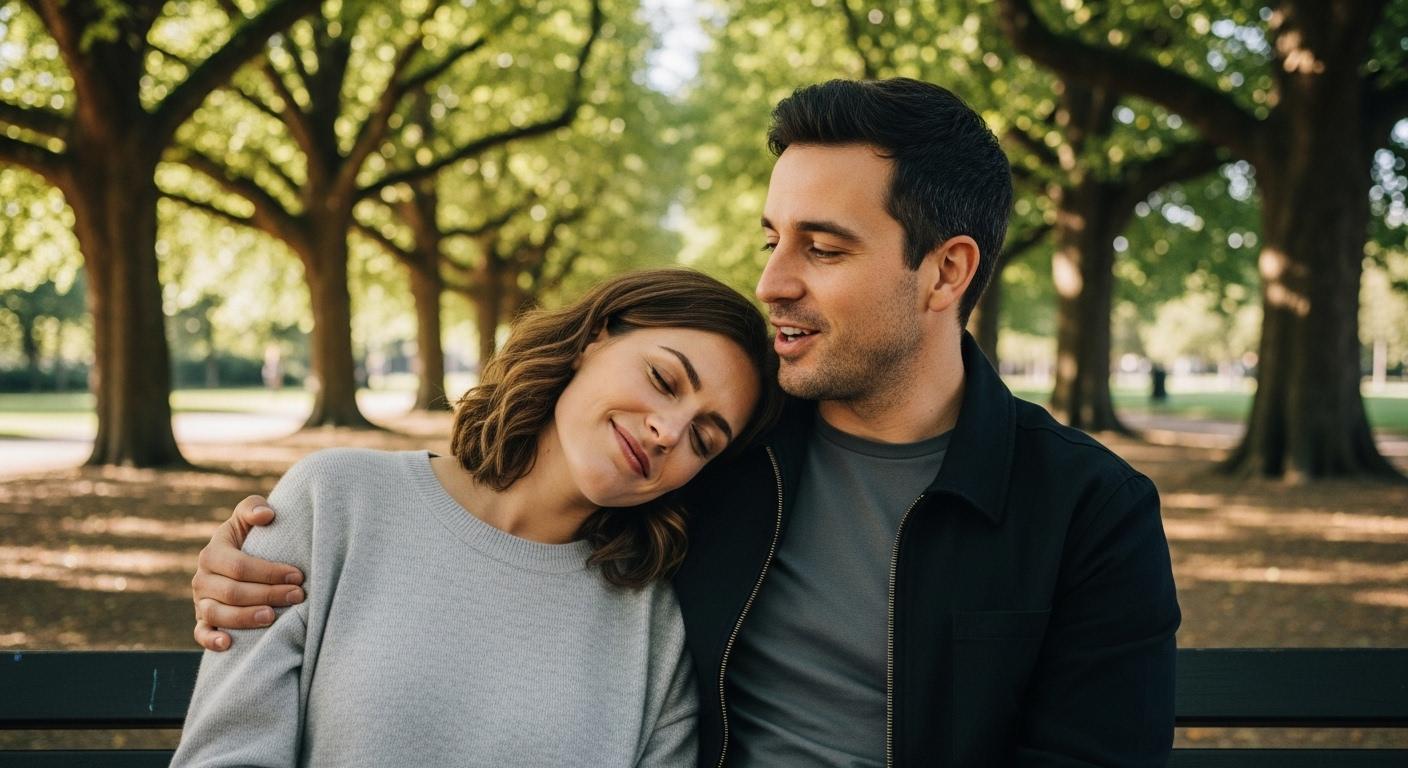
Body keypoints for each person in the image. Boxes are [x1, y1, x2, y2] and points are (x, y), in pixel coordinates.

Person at [191, 79, 1180, 766]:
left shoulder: (1086, 512)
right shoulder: (736, 454)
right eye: (771, 239)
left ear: (947, 271)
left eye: (821, 248)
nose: (772, 281)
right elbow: (499, 534)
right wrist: (255, 561)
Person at [173, 269, 781, 767]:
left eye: (704, 439)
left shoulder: (656, 626)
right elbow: (225, 755)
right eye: (662, 378)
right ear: (595, 338)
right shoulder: (334, 501)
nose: (668, 432)